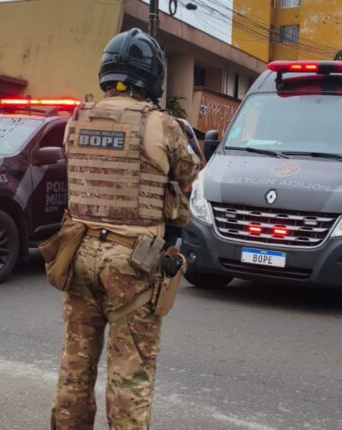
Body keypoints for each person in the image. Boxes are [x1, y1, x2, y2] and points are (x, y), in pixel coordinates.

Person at [51, 28, 200, 429]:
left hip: (77, 253)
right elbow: (189, 173)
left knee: (75, 365)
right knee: (130, 373)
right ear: (151, 76)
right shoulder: (162, 125)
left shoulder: (77, 118)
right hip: (133, 261)